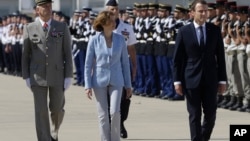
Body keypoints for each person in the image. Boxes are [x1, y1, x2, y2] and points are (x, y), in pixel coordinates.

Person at [173, 1, 227, 141]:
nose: (204, 14)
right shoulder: (184, 32)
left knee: (210, 115)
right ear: (192, 13)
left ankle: (203, 138)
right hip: (191, 79)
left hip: (210, 79)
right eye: (200, 11)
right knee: (194, 115)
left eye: (206, 11)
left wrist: (222, 80)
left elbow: (220, 57)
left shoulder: (214, 30)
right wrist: (177, 81)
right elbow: (178, 59)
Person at [22, 0, 73, 141]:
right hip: (37, 75)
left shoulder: (61, 27)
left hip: (57, 75)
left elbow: (67, 53)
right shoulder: (29, 28)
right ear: (38, 9)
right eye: (44, 6)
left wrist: (68, 75)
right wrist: (26, 76)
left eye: (49, 5)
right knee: (41, 111)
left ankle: (54, 132)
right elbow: (25, 55)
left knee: (57, 109)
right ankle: (44, 138)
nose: (48, 8)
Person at [84, 10, 132, 141]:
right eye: (110, 21)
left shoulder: (120, 39)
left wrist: (128, 85)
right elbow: (88, 65)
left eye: (114, 20)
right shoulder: (94, 40)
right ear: (103, 23)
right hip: (99, 81)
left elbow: (125, 64)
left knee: (115, 112)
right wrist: (87, 85)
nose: (113, 23)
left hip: (117, 80)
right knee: (103, 115)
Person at [105, 0, 137, 138]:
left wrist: (134, 66)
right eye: (112, 9)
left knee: (125, 97)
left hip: (124, 66)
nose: (115, 12)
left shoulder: (126, 27)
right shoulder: (101, 26)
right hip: (106, 67)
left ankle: (121, 122)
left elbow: (131, 48)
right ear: (107, 10)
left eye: (116, 9)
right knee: (107, 98)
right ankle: (111, 126)